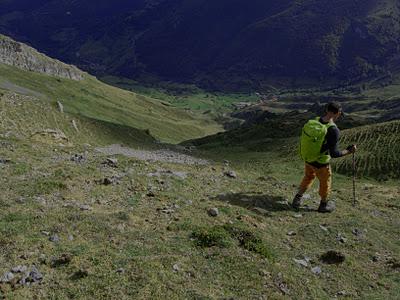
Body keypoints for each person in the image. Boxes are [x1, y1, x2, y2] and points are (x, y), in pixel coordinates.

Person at [292, 102, 357, 213]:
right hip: (321, 163)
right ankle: (323, 205)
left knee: (308, 177)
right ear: (338, 113)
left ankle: (297, 198)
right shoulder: (333, 130)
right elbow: (334, 154)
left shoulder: (315, 121)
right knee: (325, 183)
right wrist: (349, 151)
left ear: (326, 110)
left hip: (308, 158)